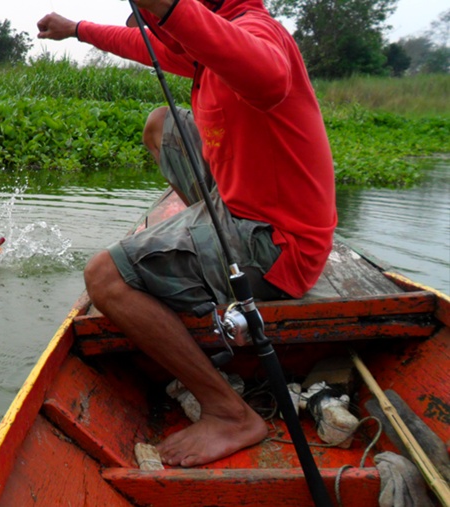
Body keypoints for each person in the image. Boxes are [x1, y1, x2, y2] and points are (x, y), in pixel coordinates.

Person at [37, 0, 337, 467]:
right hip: (238, 205)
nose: (155, 28)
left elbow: (269, 73)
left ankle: (230, 414)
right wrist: (74, 28)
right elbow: (142, 44)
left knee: (105, 277)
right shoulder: (200, 51)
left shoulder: (256, 33)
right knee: (163, 123)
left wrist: (170, 7)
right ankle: (199, 237)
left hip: (277, 244)